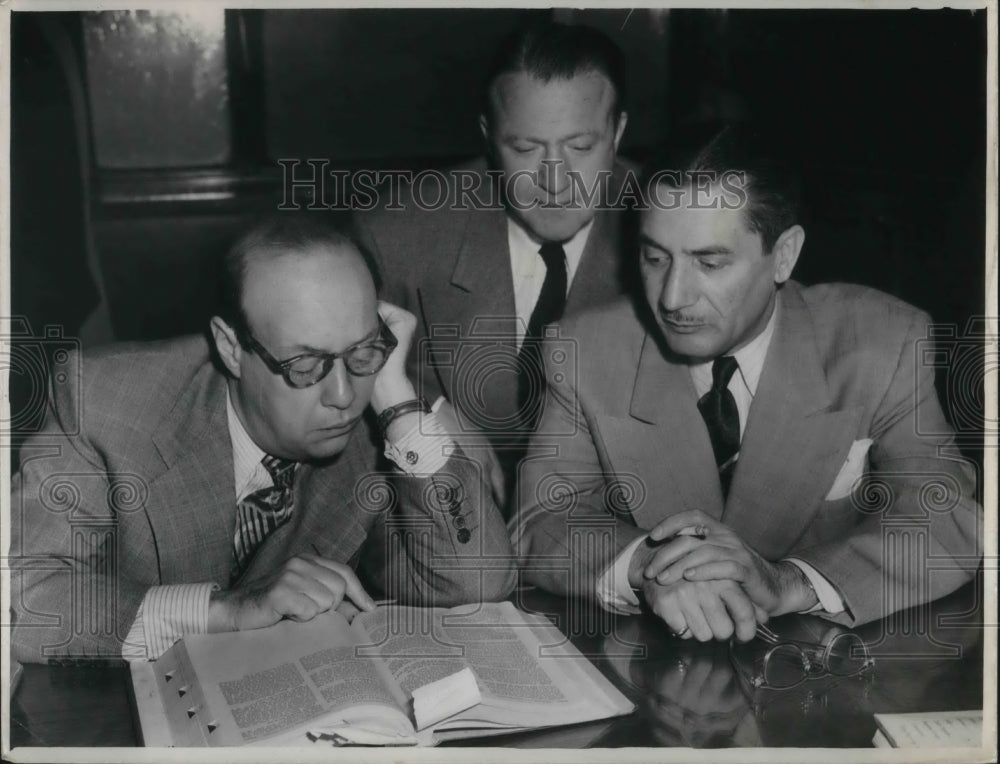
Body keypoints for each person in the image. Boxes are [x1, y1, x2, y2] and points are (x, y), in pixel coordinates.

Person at [511, 125, 981, 642]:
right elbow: (540, 521)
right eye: (655, 257)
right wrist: (651, 566)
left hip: (819, 675)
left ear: (784, 256)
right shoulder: (584, 348)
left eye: (709, 262)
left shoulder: (883, 341)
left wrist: (789, 582)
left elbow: (948, 517)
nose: (672, 297)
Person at [9, 215, 515, 664]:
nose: (342, 396)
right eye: (305, 364)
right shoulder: (105, 401)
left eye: (362, 352)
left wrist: (400, 405)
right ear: (232, 348)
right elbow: (22, 594)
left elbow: (478, 582)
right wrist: (228, 609)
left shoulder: (377, 425)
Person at [353, 21, 636, 512]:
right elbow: (337, 367)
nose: (555, 180)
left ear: (618, 133)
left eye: (581, 148)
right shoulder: (398, 232)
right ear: (488, 137)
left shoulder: (676, 225)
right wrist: (425, 411)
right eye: (525, 149)